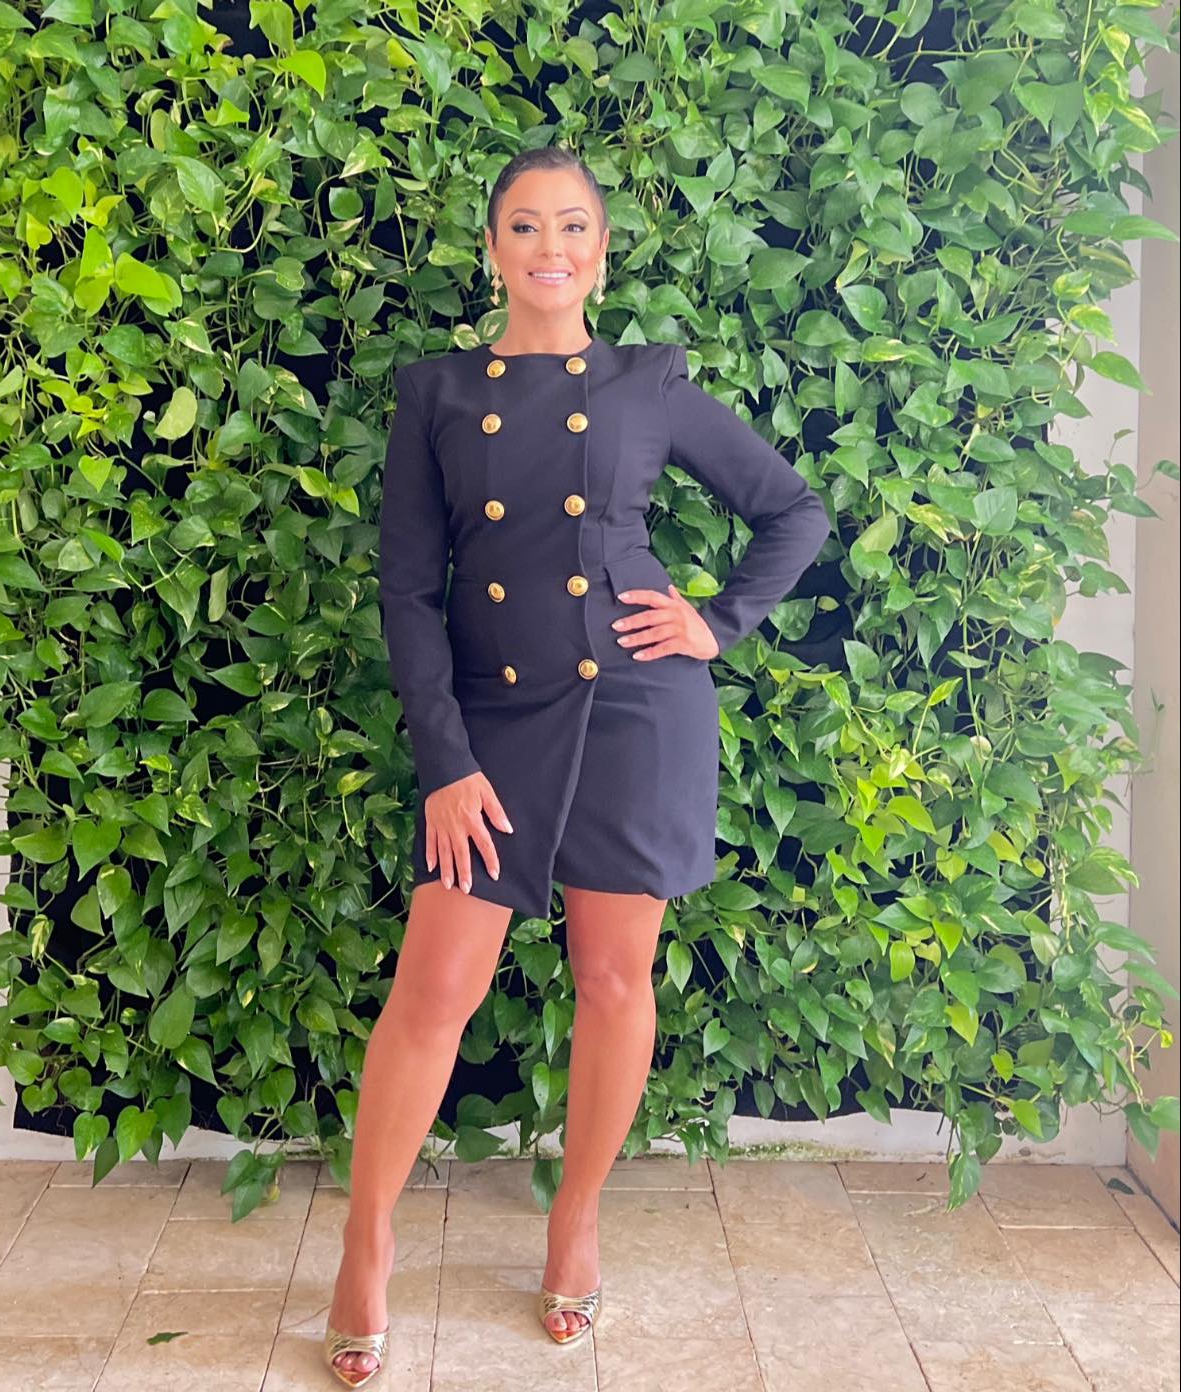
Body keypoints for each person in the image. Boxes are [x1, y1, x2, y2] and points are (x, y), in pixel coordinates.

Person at [324, 146, 832, 1386]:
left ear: (600, 252)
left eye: (571, 226)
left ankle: (578, 1218)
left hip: (637, 711)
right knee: (435, 989)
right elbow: (408, 591)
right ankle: (366, 1241)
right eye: (524, 226)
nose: (548, 246)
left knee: (613, 981)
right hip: (491, 718)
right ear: (493, 250)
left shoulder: (648, 383)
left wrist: (717, 622)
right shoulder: (438, 392)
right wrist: (444, 761)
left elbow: (794, 510)